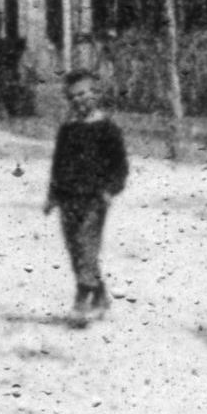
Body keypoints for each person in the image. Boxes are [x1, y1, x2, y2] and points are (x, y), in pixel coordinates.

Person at [44, 70, 131, 321]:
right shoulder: (68, 130)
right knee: (75, 250)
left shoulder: (108, 129)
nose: (80, 100)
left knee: (87, 246)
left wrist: (109, 189)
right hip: (68, 198)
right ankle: (100, 294)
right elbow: (58, 164)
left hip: (94, 198)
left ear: (97, 94)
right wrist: (52, 195)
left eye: (85, 94)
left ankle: (82, 300)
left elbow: (120, 166)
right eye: (74, 97)